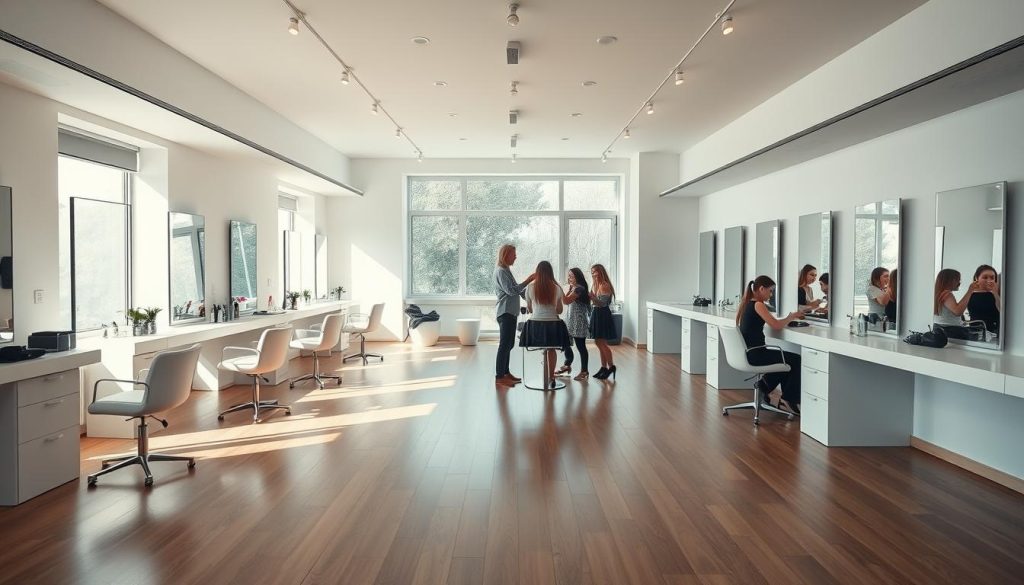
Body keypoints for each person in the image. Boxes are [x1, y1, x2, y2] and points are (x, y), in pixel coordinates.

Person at [736, 275, 804, 413]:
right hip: (756, 354)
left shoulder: (746, 303)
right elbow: (776, 325)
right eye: (770, 290)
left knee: (787, 360)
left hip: (749, 353)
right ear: (761, 289)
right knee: (795, 359)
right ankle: (788, 399)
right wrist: (791, 316)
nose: (771, 294)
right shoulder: (758, 304)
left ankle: (764, 386)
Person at [519, 261, 571, 388]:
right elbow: (559, 311)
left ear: (537, 273)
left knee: (545, 346)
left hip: (535, 328)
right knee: (551, 348)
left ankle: (547, 372)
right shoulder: (557, 288)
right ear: (550, 273)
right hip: (553, 327)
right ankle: (551, 376)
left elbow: (530, 310)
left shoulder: (530, 288)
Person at [493, 244, 535, 386]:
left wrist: (531, 301)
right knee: (505, 344)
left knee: (509, 344)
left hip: (510, 312)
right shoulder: (501, 271)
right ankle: (500, 376)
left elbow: (517, 290)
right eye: (513, 254)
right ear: (506, 255)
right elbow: (511, 291)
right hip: (505, 312)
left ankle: (506, 372)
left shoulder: (506, 270)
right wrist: (528, 280)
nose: (516, 256)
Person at [555, 267, 591, 381]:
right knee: (565, 342)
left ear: (578, 276)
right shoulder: (573, 288)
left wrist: (559, 288)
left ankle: (584, 371)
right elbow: (566, 301)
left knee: (581, 347)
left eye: (571, 276)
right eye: (569, 276)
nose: (569, 278)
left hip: (579, 321)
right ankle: (567, 365)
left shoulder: (580, 288)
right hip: (571, 320)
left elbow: (565, 301)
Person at [589, 264, 618, 380]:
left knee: (602, 343)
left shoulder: (605, 285)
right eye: (592, 272)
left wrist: (592, 298)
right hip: (597, 313)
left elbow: (602, 303)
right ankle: (603, 367)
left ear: (600, 272)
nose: (593, 274)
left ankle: (611, 366)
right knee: (598, 342)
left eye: (595, 272)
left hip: (602, 314)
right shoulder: (596, 285)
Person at [934, 268, 981, 336]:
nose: (959, 283)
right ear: (950, 281)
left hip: (940, 328)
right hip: (952, 331)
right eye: (958, 280)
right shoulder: (947, 294)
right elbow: (958, 311)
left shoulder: (937, 294)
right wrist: (970, 290)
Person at [967, 264, 1001, 335]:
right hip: (978, 332)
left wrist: (995, 293)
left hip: (996, 332)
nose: (989, 280)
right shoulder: (971, 295)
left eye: (992, 278)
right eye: (985, 277)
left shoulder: (996, 294)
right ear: (977, 278)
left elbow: (1003, 312)